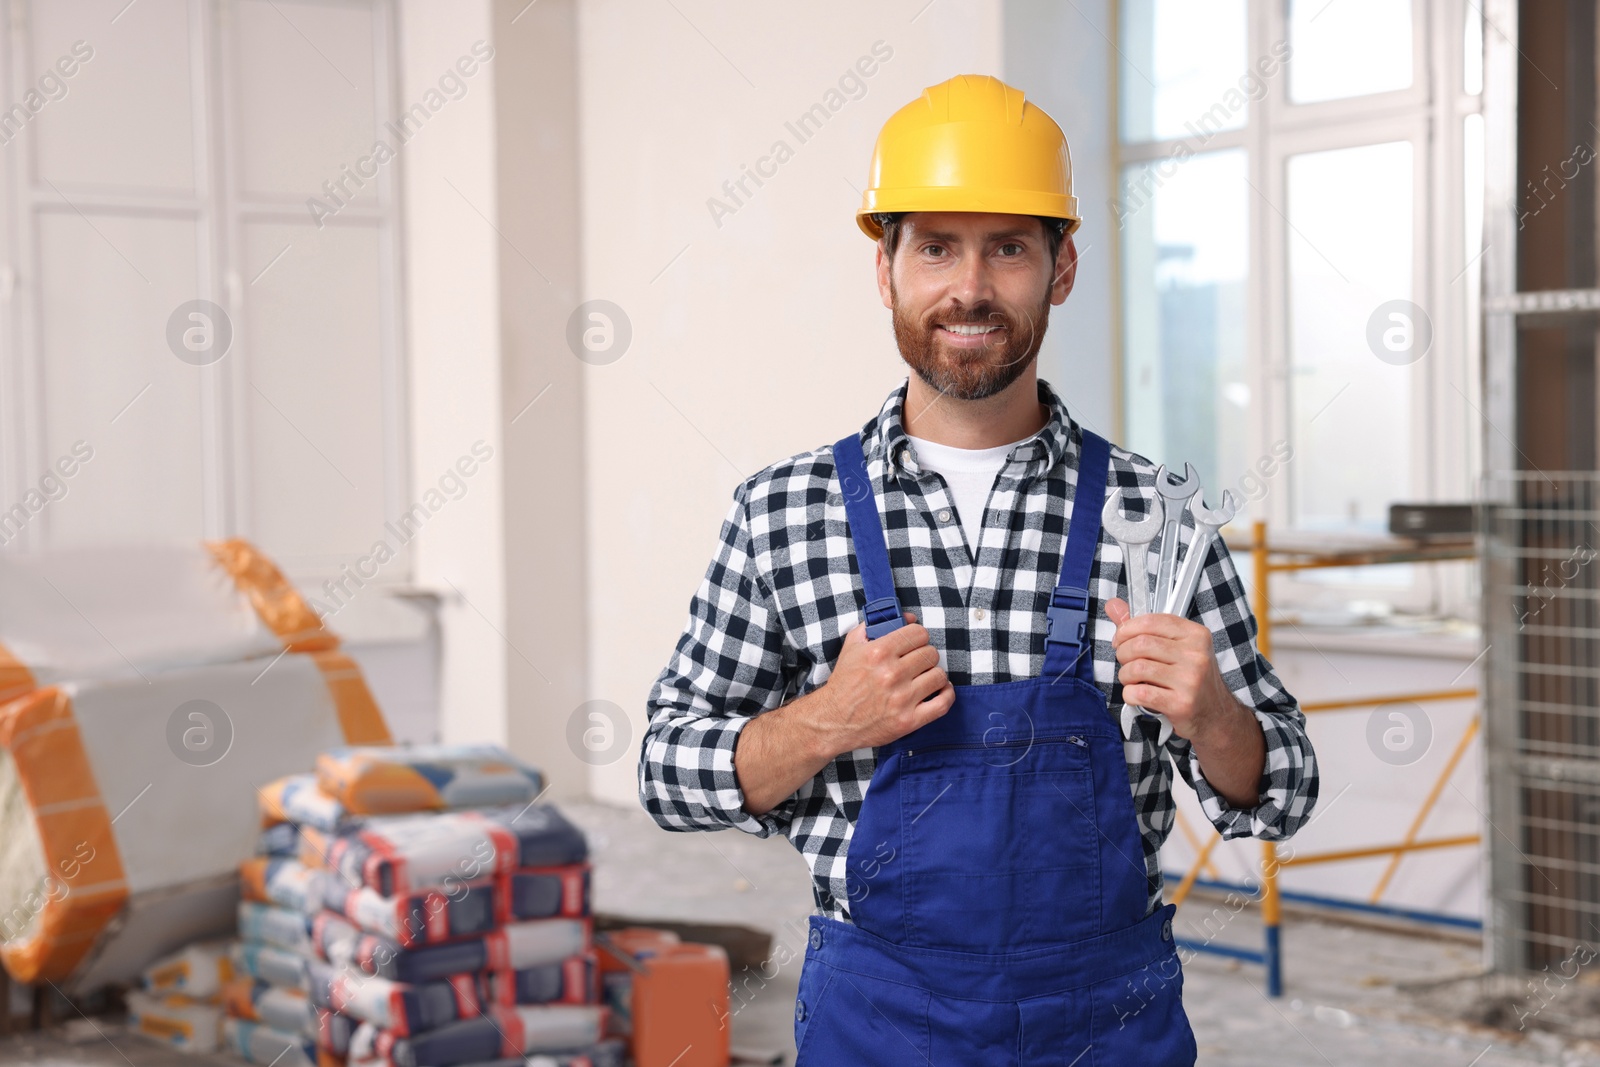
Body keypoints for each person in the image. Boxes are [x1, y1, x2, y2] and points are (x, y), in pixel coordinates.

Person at [639, 73, 1318, 1065]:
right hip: (876, 1020)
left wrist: (1211, 713)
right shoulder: (783, 512)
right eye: (936, 247)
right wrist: (826, 719)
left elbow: (1283, 789)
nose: (969, 286)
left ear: (1062, 266)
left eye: (1008, 246)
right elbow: (665, 769)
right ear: (886, 269)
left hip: (1102, 1025)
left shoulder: (1156, 521)